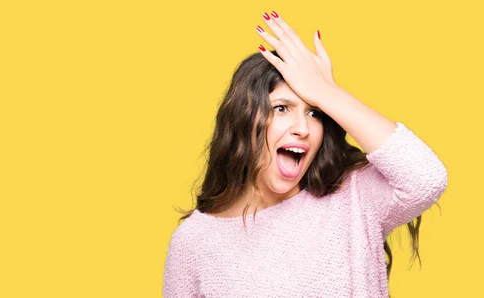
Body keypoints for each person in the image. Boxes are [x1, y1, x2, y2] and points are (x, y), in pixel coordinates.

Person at [162, 10, 448, 298]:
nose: (303, 128)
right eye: (282, 108)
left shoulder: (352, 197)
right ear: (243, 120)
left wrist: (326, 92)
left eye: (314, 112)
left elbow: (425, 178)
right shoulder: (194, 242)